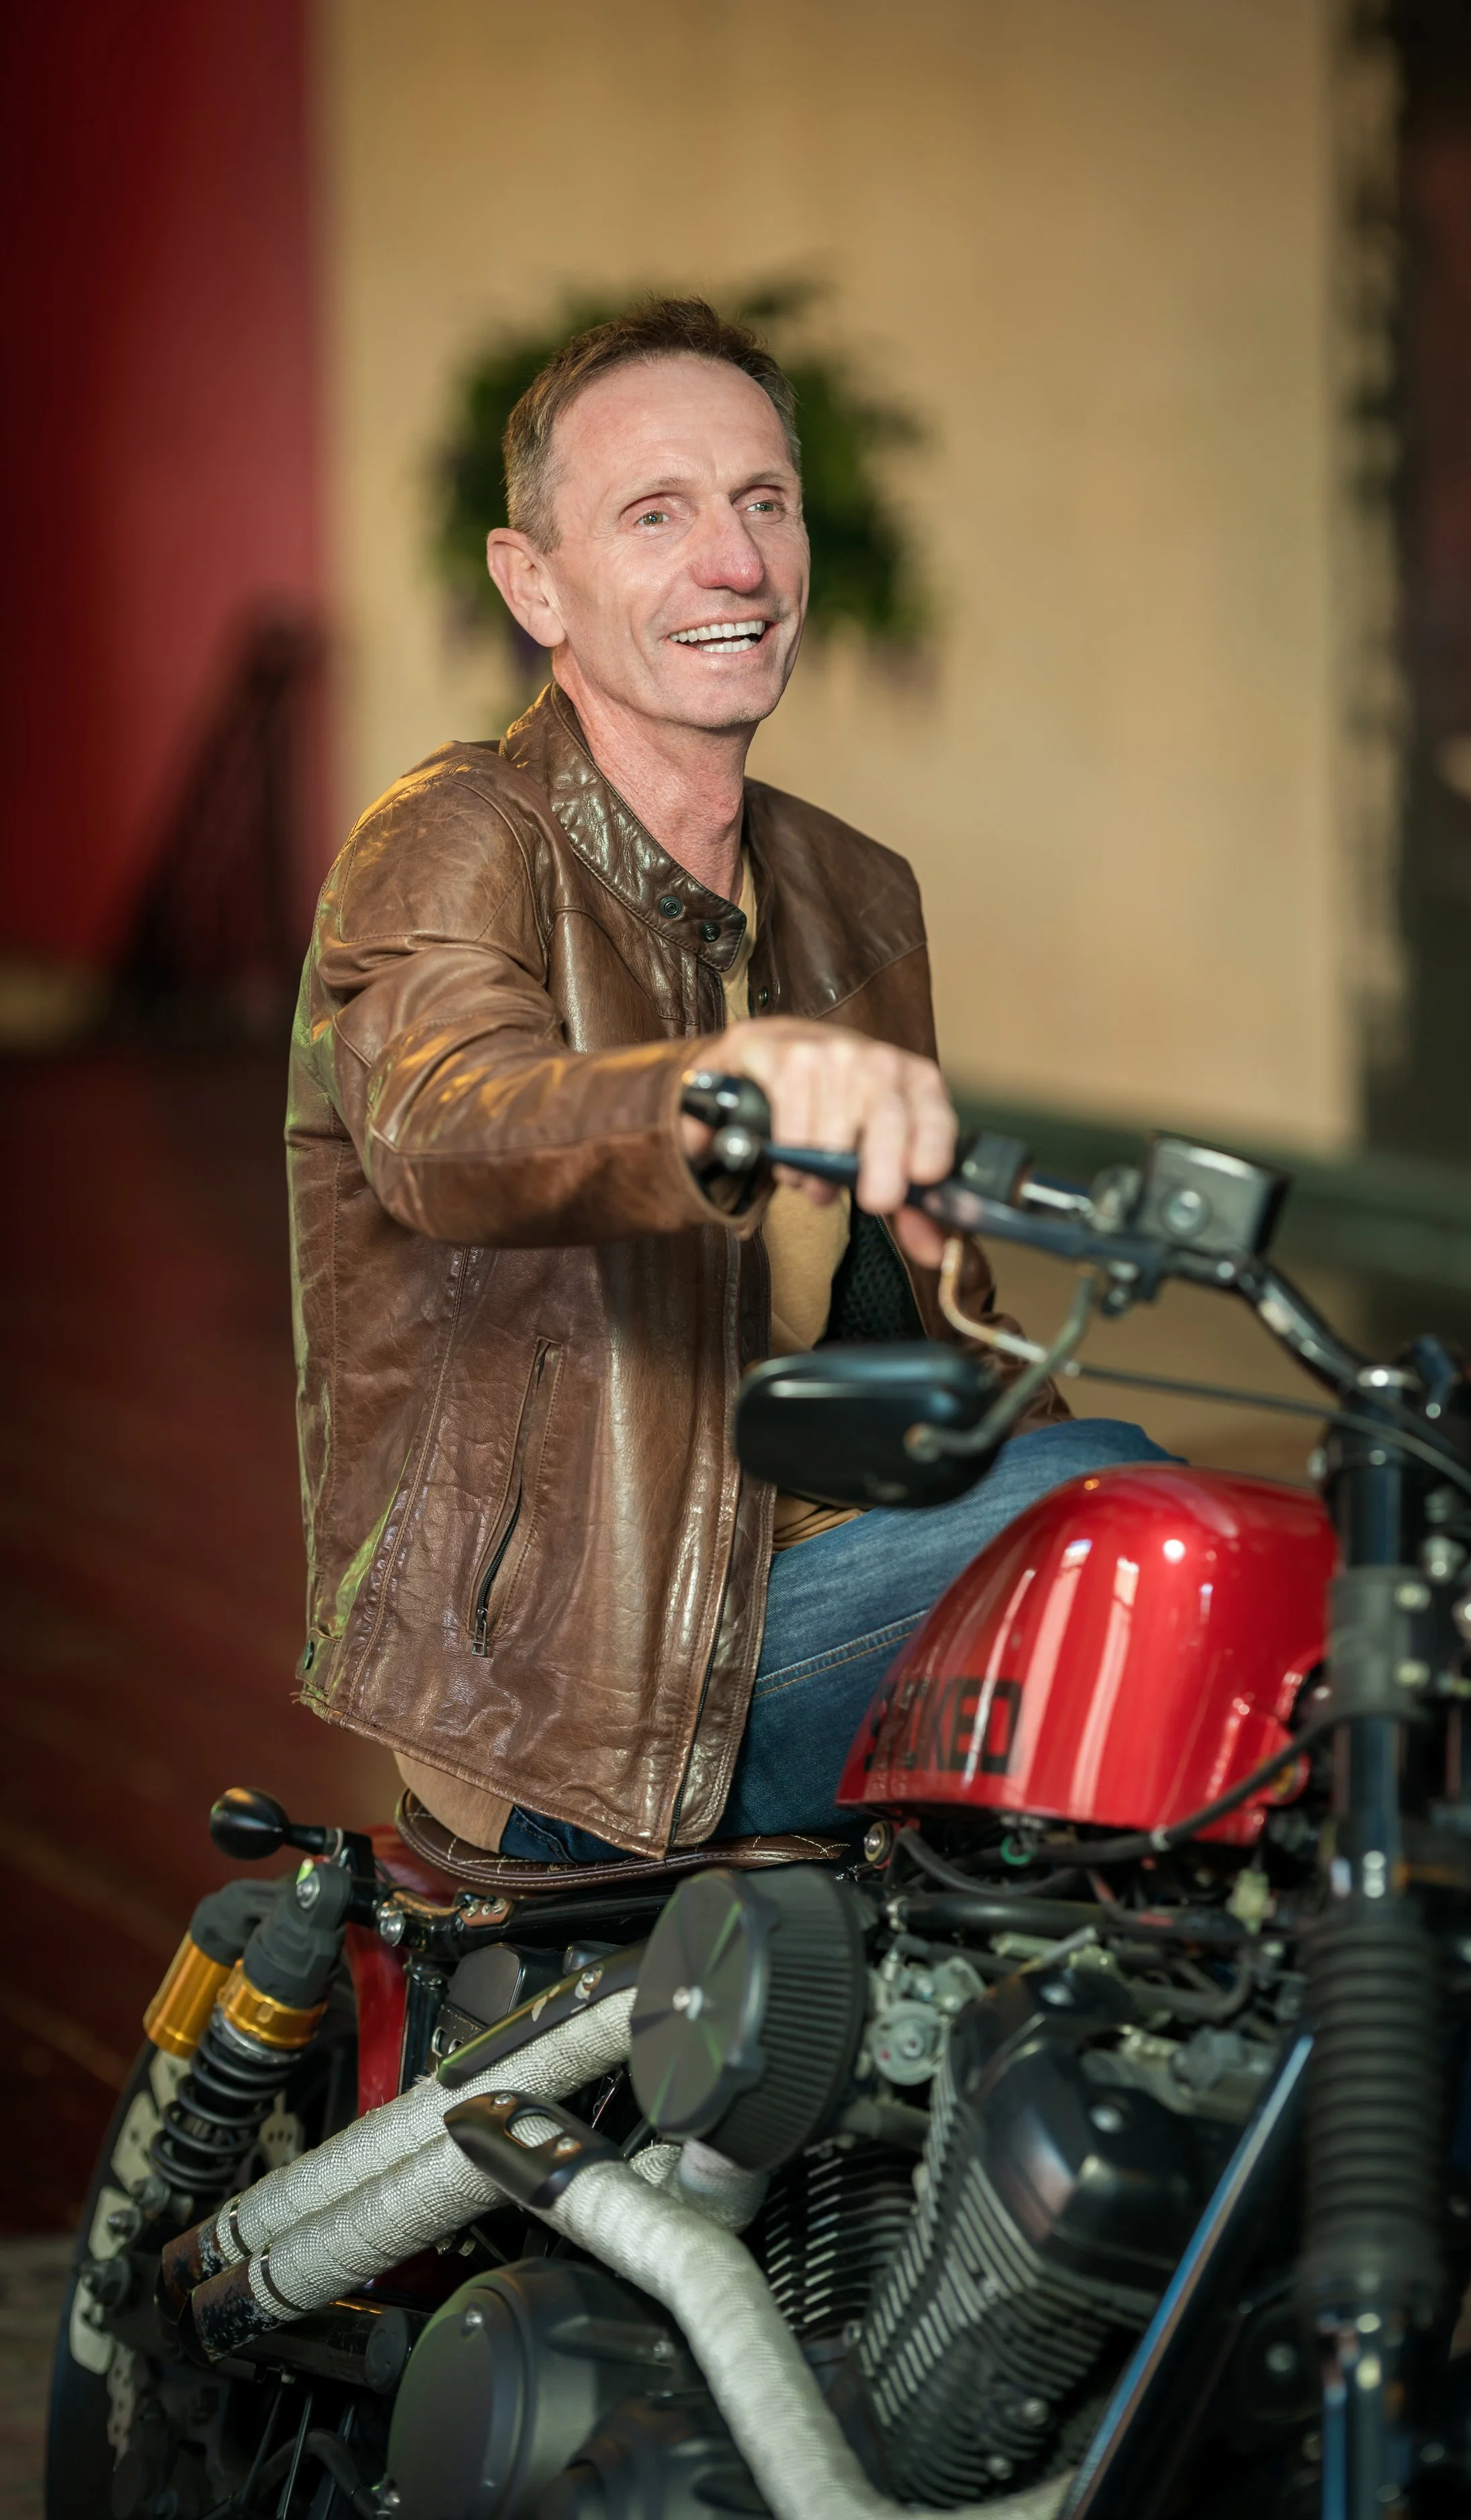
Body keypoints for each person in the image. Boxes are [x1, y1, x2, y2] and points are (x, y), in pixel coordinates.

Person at [286, 298, 1166, 1867]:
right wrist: (717, 1088)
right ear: (531, 583)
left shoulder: (848, 888)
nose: (737, 565)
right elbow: (441, 1125)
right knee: (1132, 1541)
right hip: (580, 1687)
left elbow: (932, 1326)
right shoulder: (455, 839)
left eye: (764, 502)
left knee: (1303, 1685)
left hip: (829, 1561)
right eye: (655, 514)